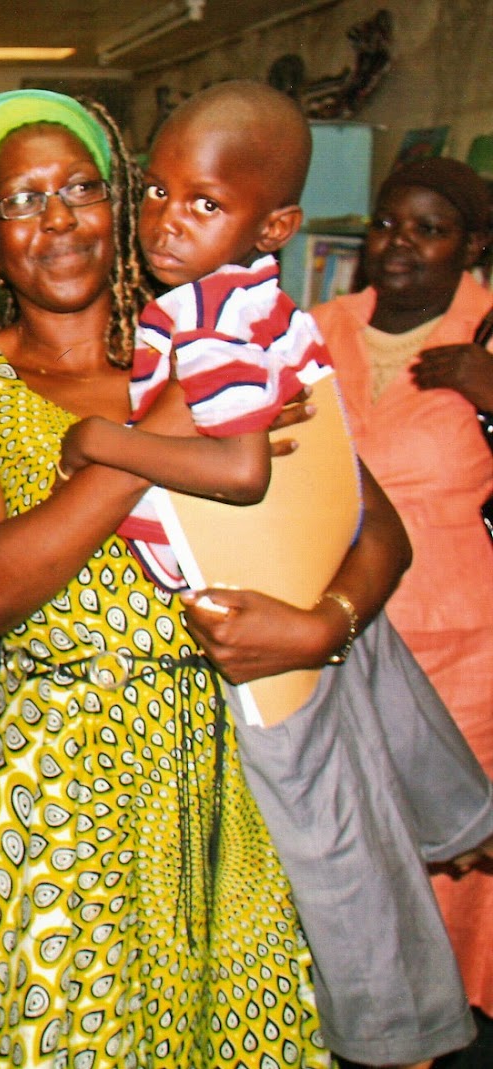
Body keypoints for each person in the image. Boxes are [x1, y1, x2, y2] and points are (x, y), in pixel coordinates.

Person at [0, 88, 416, 1066]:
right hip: (68, 786)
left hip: (243, 767)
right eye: (22, 200)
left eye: (83, 189)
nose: (57, 220)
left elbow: (374, 528)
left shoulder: (220, 339)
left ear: (124, 204)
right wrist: (155, 434)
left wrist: (322, 625)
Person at [53, 79, 490, 1068]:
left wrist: (105, 441)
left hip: (258, 591)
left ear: (276, 222)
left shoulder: (207, 320)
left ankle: (395, 1037)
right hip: (315, 565)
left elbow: (240, 466)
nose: (165, 222)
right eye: (156, 193)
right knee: (375, 746)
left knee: (327, 835)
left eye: (203, 205)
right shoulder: (270, 305)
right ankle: (465, 822)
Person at [312, 155, 493, 1038]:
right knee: (340, 829)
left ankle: (445, 1025)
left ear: (475, 246)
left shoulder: (487, 333)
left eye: (431, 229)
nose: (400, 245)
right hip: (330, 626)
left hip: (463, 644)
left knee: (451, 853)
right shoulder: (317, 326)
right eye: (388, 223)